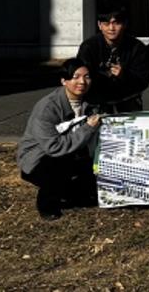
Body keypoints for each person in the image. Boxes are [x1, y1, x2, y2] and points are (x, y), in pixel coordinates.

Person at [17, 59, 101, 220]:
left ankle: (69, 193)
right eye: (75, 77)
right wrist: (88, 128)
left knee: (90, 193)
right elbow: (54, 147)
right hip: (39, 158)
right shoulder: (47, 108)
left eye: (87, 77)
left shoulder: (90, 102)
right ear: (64, 81)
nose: (82, 82)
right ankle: (47, 205)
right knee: (58, 167)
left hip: (73, 153)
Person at [77, 7, 149, 113]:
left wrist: (124, 75)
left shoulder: (137, 47)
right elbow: (81, 75)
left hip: (128, 100)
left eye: (116, 23)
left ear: (124, 24)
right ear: (99, 25)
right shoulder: (89, 47)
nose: (111, 28)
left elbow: (143, 80)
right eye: (106, 23)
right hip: (96, 102)